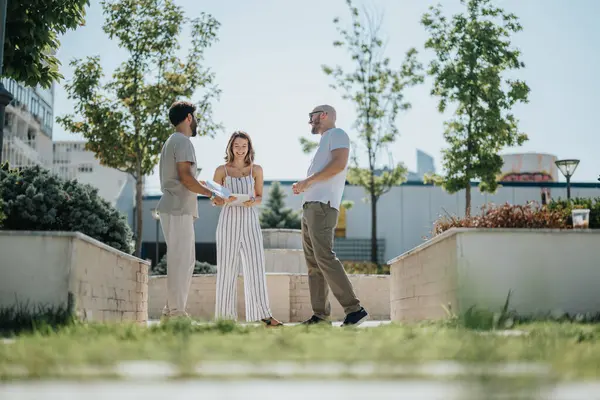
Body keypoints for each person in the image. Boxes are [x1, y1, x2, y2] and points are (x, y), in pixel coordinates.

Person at [293, 105, 368, 326]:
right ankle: (320, 316)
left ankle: (354, 309)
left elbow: (338, 164)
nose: (310, 121)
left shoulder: (337, 134)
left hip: (322, 207)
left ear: (323, 115)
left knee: (324, 258)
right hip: (310, 208)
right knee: (314, 264)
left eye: (312, 116)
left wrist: (308, 181)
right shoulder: (325, 141)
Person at [156, 100, 233, 319]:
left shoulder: (173, 141)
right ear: (189, 117)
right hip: (178, 208)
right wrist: (213, 194)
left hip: (173, 206)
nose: (196, 121)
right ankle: (177, 313)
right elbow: (186, 179)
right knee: (182, 261)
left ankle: (169, 312)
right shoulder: (183, 142)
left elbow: (187, 179)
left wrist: (208, 186)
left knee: (179, 260)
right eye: (195, 117)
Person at [211, 131, 283, 327]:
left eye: (244, 146)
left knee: (256, 268)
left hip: (250, 221)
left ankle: (265, 315)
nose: (240, 150)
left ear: (249, 148)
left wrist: (254, 201)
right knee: (226, 269)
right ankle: (225, 319)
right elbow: (214, 199)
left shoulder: (256, 170)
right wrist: (222, 199)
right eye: (237, 146)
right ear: (230, 147)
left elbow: (260, 196)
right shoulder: (221, 170)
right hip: (228, 222)